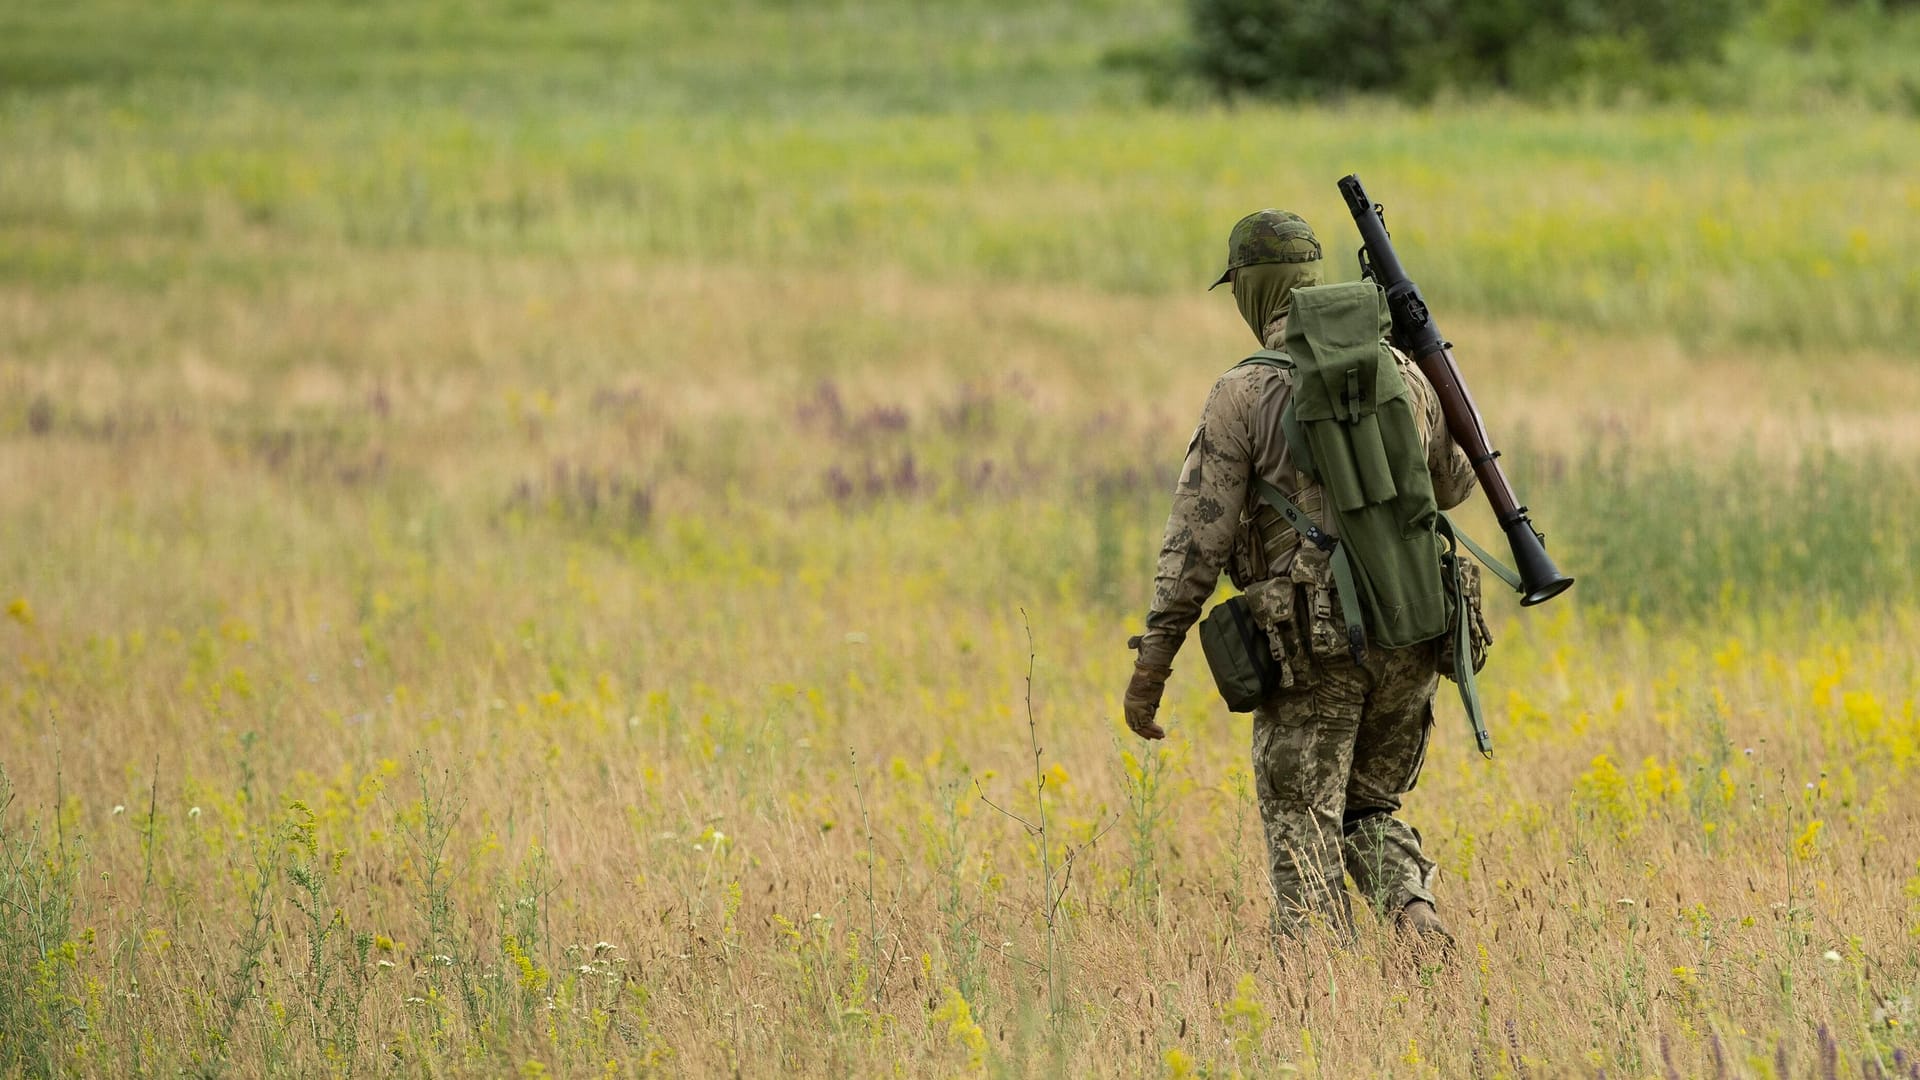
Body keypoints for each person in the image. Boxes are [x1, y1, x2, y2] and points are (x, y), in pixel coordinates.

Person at [1123, 209, 1477, 943]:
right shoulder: (1403, 370)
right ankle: (1417, 922)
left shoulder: (1242, 394)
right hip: (1414, 628)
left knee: (1300, 828)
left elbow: (1198, 540)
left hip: (1314, 647)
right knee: (1367, 809)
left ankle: (1319, 1007)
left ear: (1252, 290)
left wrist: (1153, 661)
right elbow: (1454, 486)